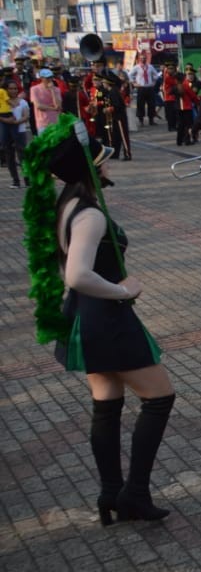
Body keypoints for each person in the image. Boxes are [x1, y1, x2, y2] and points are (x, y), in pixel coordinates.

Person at [23, 115, 176, 523]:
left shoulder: (68, 204)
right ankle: (135, 493)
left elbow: (65, 272)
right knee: (160, 398)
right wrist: (124, 290)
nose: (107, 164)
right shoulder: (89, 214)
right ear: (89, 168)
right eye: (102, 160)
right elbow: (76, 275)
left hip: (85, 319)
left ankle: (111, 493)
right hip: (106, 319)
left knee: (106, 405)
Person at [31, 68, 63, 135]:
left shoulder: (56, 90)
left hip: (55, 121)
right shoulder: (34, 89)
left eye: (51, 77)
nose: (49, 80)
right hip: (42, 122)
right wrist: (53, 108)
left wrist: (52, 91)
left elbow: (58, 105)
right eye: (47, 78)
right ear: (42, 78)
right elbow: (39, 106)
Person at [129, 59, 159, 127]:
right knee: (140, 104)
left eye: (144, 58)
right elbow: (130, 74)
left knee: (151, 104)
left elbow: (156, 75)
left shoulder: (150, 66)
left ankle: (151, 120)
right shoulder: (137, 67)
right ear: (140, 60)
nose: (143, 60)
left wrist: (154, 82)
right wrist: (134, 83)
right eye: (142, 59)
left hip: (149, 87)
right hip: (141, 88)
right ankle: (141, 120)